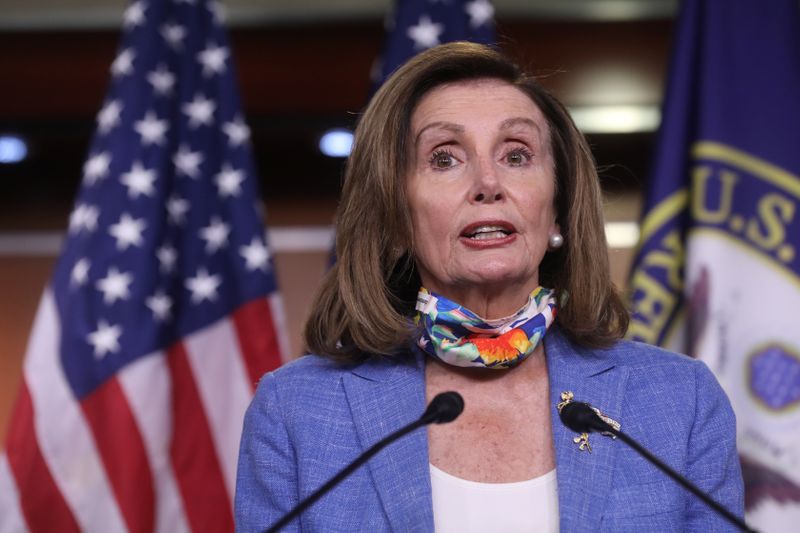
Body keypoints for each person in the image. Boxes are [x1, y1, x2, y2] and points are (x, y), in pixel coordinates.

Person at [235, 42, 744, 532]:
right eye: (444, 157)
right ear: (395, 217)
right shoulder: (296, 411)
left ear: (558, 210)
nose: (487, 183)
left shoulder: (680, 401)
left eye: (517, 155)